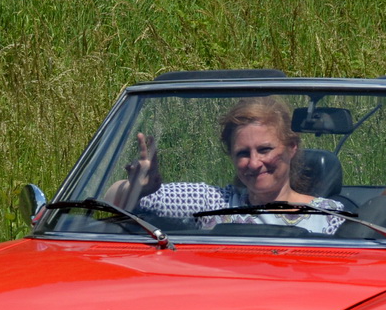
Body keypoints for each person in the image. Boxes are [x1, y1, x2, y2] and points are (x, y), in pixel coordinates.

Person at [105, 96, 345, 234]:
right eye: (242, 153)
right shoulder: (213, 202)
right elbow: (111, 201)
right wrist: (137, 188)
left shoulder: (329, 215)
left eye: (265, 149)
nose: (254, 163)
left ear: (291, 147)